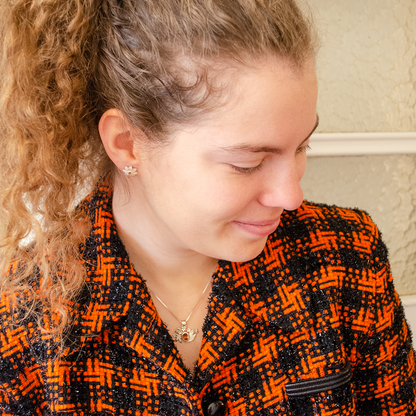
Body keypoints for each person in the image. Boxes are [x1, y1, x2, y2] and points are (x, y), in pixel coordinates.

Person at [0, 0, 414, 415]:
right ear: (127, 142)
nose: (291, 196)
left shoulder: (345, 259)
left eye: (303, 146)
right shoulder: (21, 324)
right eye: (246, 164)